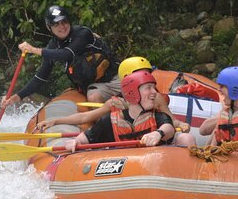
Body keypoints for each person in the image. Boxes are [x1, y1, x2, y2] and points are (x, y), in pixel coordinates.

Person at [37, 56, 195, 146]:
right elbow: (86, 118)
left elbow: (170, 121)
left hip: (156, 139)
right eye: (140, 74)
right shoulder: (114, 104)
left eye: (147, 74)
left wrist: (179, 125)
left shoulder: (156, 99)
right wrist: (56, 120)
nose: (148, 79)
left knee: (185, 138)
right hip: (123, 140)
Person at [0, 5, 121, 108]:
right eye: (56, 24)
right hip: (96, 86)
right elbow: (40, 77)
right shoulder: (52, 46)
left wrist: (33, 50)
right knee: (94, 97)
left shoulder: (83, 33)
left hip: (115, 78)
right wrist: (17, 97)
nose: (62, 27)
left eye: (64, 22)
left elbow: (67, 54)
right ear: (49, 27)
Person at [63, 70, 176, 152]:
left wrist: (158, 133)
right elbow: (85, 138)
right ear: (133, 93)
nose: (154, 92)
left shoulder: (158, 116)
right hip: (122, 169)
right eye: (148, 88)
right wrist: (75, 141)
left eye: (153, 87)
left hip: (152, 166)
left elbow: (169, 127)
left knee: (186, 138)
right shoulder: (109, 121)